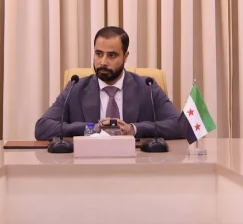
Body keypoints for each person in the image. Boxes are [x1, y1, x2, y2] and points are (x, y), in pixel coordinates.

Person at [34, 26, 187, 141]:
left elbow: (181, 125)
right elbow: (42, 128)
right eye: (98, 54)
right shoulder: (76, 88)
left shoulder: (147, 87)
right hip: (88, 166)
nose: (103, 62)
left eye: (112, 55)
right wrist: (91, 128)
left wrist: (133, 129)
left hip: (136, 166)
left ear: (125, 56)